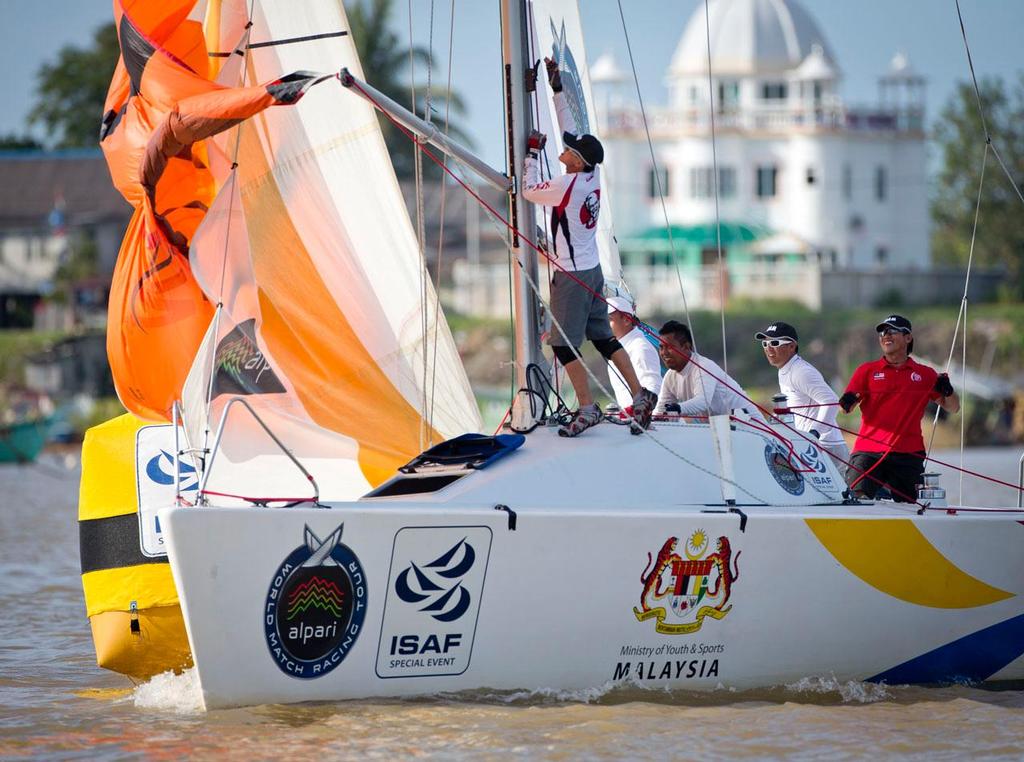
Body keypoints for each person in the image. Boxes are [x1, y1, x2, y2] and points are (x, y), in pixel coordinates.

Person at [522, 57, 657, 437]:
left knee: (563, 346)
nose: (562, 152)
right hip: (592, 270)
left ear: (578, 162)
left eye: (569, 153)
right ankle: (641, 395)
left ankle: (586, 407)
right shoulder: (591, 173)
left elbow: (530, 191)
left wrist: (531, 155)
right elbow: (572, 132)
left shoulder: (568, 185)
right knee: (602, 337)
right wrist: (556, 88)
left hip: (572, 276)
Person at [840, 314, 960, 502]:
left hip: (908, 452)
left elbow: (953, 407)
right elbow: (846, 409)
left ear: (908, 338)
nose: (885, 335)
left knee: (911, 506)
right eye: (882, 332)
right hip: (869, 451)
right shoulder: (867, 370)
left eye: (892, 331)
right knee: (856, 498)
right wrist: (846, 402)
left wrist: (949, 390)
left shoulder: (925, 374)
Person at [755, 321, 850, 474]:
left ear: (792, 346)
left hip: (825, 447)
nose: (768, 348)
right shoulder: (785, 369)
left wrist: (814, 435)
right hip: (809, 447)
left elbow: (831, 401)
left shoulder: (801, 371)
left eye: (774, 342)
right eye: (765, 344)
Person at [654, 320, 753, 417]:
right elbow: (661, 410)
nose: (664, 353)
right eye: (661, 347)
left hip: (752, 428)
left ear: (686, 347)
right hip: (723, 429)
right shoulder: (670, 377)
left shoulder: (704, 367)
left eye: (669, 347)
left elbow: (703, 401)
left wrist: (677, 408)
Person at [606, 295, 662, 412]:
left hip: (644, 423)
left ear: (626, 320)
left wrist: (636, 413)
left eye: (609, 319)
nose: (604, 324)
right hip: (630, 420)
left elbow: (652, 387)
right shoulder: (622, 346)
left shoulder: (640, 347)